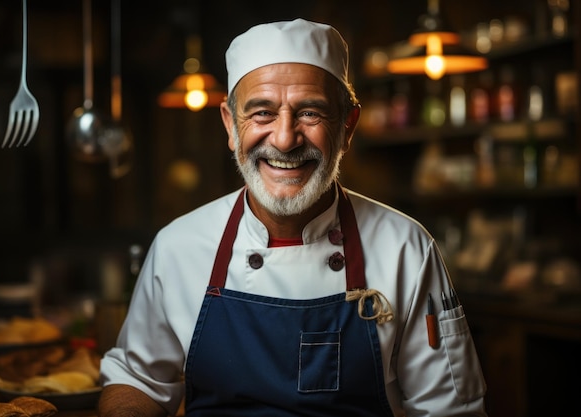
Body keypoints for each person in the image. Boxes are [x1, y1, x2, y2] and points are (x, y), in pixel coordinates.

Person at [98, 18, 487, 417]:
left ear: (347, 127)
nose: (285, 139)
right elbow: (137, 380)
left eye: (310, 113)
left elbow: (450, 410)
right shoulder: (178, 247)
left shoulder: (407, 248)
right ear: (231, 126)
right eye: (262, 113)